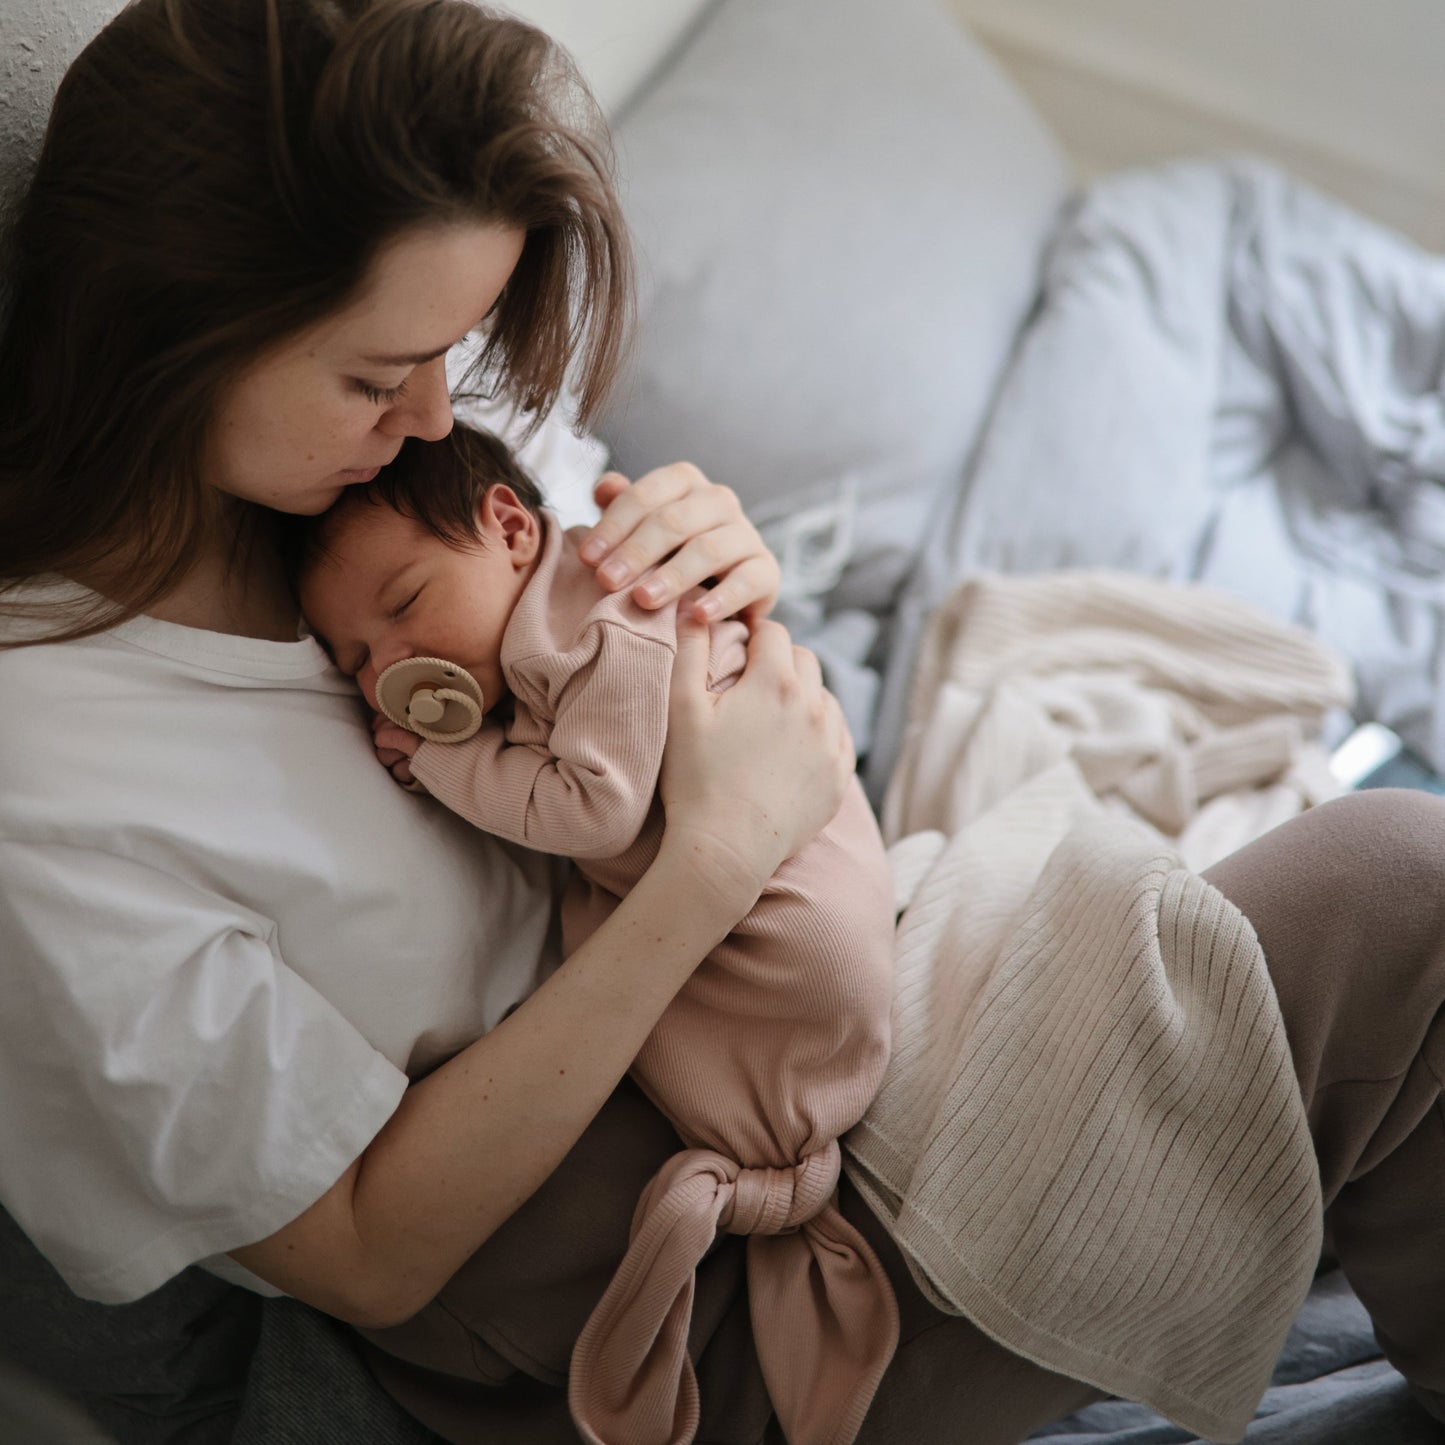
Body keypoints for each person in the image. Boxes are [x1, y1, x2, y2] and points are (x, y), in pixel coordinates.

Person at [3, 4, 1445, 1445]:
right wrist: (709, 861)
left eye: (449, 356)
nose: (439, 415)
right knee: (1403, 894)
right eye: (380, 378)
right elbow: (371, 1255)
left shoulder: (386, 461)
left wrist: (717, 577)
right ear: (171, 337)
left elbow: (628, 642)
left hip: (812, 1024)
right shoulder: (57, 770)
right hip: (683, 1296)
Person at [295, 422, 898, 1444]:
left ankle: (771, 1154)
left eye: (405, 605)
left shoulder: (599, 623)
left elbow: (595, 810)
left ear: (509, 526)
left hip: (792, 939)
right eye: (354, 658)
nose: (392, 665)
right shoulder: (538, 635)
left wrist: (439, 763)